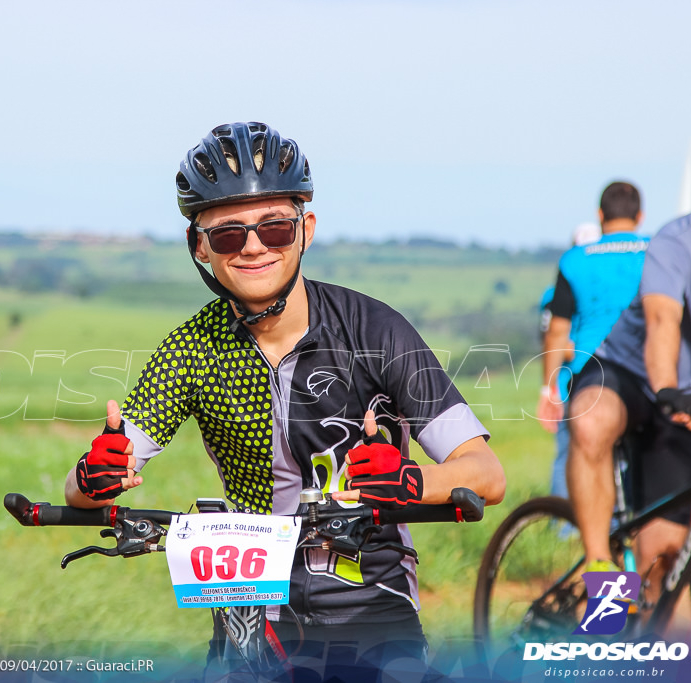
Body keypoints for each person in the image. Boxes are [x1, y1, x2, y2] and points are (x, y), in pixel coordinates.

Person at [63, 122, 506, 679]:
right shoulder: (191, 350)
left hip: (369, 602)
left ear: (306, 229)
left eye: (274, 227)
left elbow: (486, 473)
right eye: (227, 234)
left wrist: (412, 483)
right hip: (249, 602)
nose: (252, 246)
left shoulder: (375, 330)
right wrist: (92, 475)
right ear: (199, 246)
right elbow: (82, 488)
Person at [566, 141, 691, 599]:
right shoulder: (676, 244)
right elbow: (661, 321)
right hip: (630, 374)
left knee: (668, 572)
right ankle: (601, 572)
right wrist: (668, 387)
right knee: (592, 423)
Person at [536, 185, 648, 499]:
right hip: (648, 374)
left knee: (577, 456)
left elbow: (557, 330)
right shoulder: (659, 252)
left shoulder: (575, 259)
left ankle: (571, 530)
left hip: (588, 375)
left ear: (601, 215)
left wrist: (548, 388)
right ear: (640, 216)